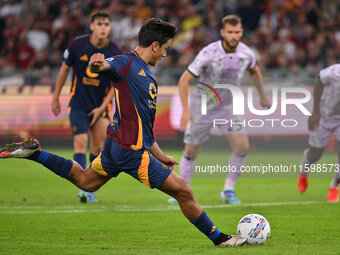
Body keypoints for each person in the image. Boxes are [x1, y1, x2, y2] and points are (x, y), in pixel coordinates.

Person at [0, 17, 247, 247]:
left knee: (86, 182)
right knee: (183, 190)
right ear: (154, 45)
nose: (164, 54)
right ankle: (220, 239)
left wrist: (160, 156)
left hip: (116, 147)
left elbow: (146, 130)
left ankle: (36, 153)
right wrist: (97, 65)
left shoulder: (147, 73)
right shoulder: (125, 63)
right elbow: (105, 67)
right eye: (165, 48)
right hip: (130, 151)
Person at [168, 15, 270, 205]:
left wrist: (263, 96)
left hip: (228, 107)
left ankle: (228, 190)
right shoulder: (209, 53)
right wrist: (185, 110)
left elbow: (254, 71)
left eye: (237, 32)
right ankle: (182, 190)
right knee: (192, 149)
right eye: (230, 32)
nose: (233, 36)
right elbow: (184, 79)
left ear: (241, 33)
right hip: (202, 107)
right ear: (222, 32)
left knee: (243, 146)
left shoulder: (246, 53)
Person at [51, 12, 122, 203]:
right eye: (100, 23)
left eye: (107, 24)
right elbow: (64, 70)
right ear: (91, 26)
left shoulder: (115, 50)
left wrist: (102, 109)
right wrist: (56, 97)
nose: (103, 27)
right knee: (81, 142)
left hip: (101, 107)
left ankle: (89, 186)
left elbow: (116, 84)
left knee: (98, 147)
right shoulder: (77, 45)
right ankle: (82, 189)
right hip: (78, 104)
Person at [297, 64, 340, 203]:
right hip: (326, 116)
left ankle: (334, 187)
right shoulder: (334, 72)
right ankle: (304, 170)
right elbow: (319, 79)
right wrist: (315, 111)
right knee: (316, 153)